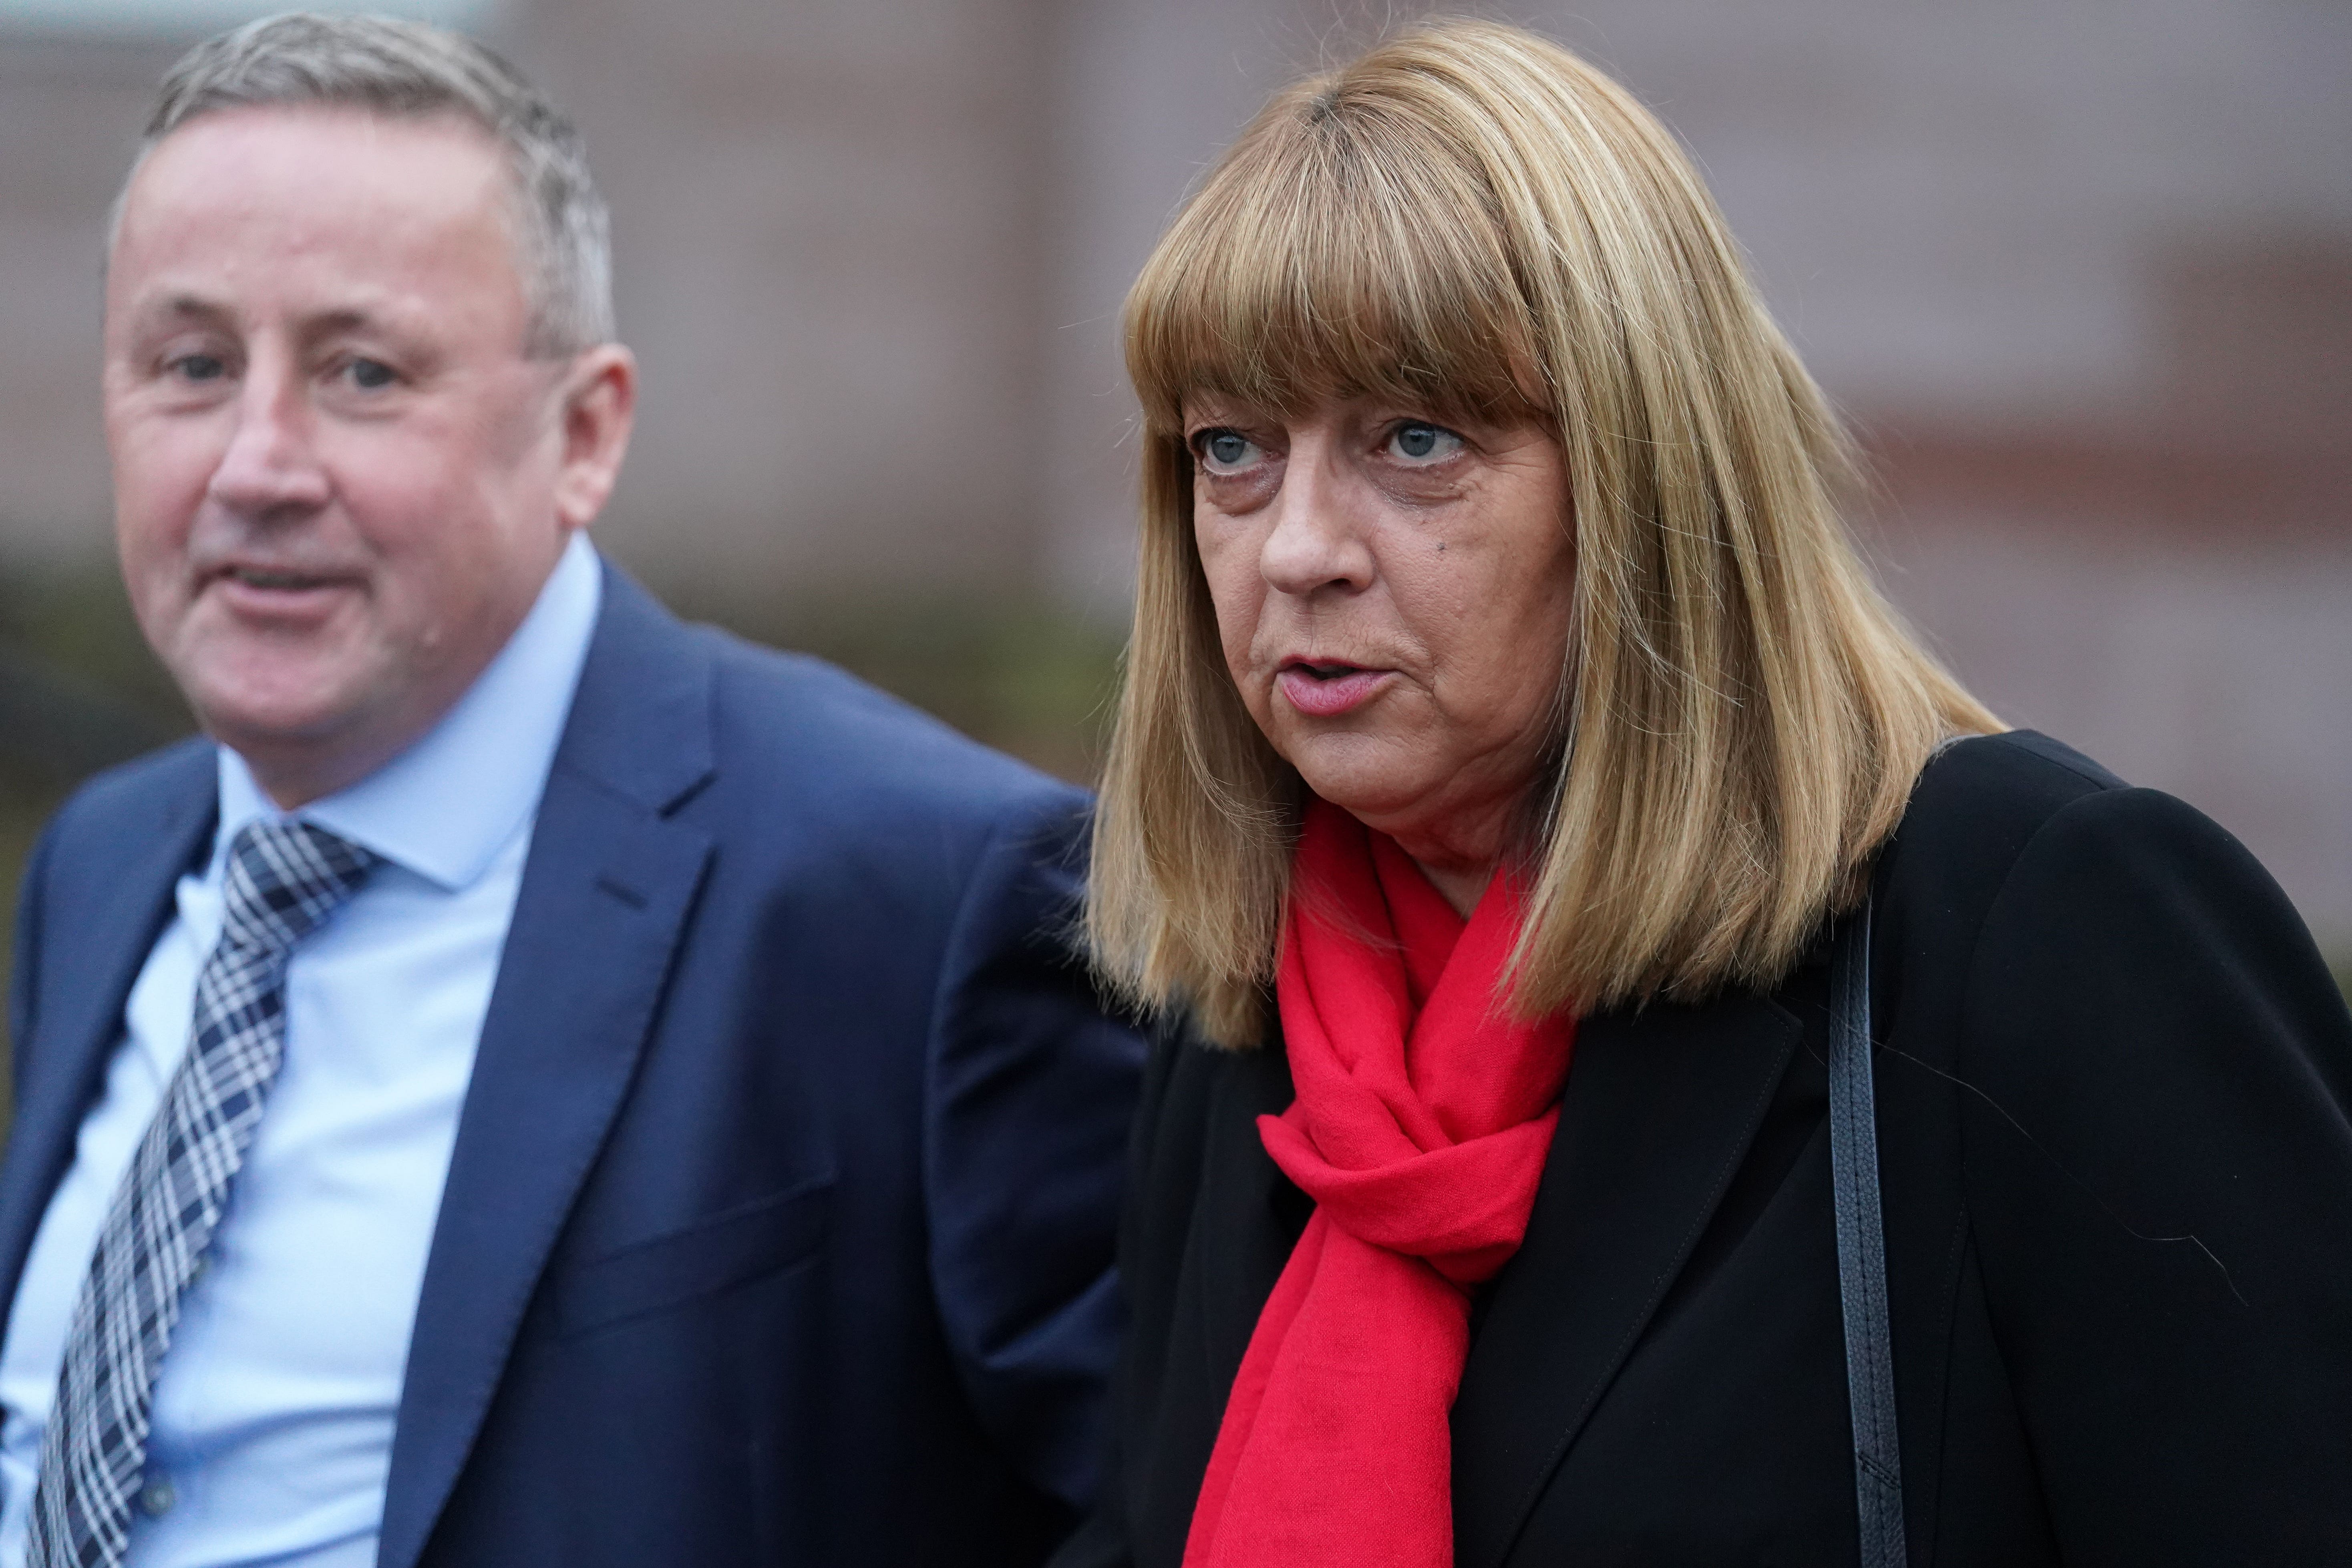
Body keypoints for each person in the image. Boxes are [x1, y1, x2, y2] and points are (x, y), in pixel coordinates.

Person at [1058, 18, 2352, 1568]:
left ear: (1645, 475)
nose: (1294, 548)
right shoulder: (1245, 1017)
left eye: (1416, 440)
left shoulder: (2040, 926)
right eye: (1232, 449)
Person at [0, 14, 1141, 1568]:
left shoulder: (909, 890)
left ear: (584, 432)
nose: (254, 462)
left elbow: (1151, 1512)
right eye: (192, 364)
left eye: (362, 371)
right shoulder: (106, 861)